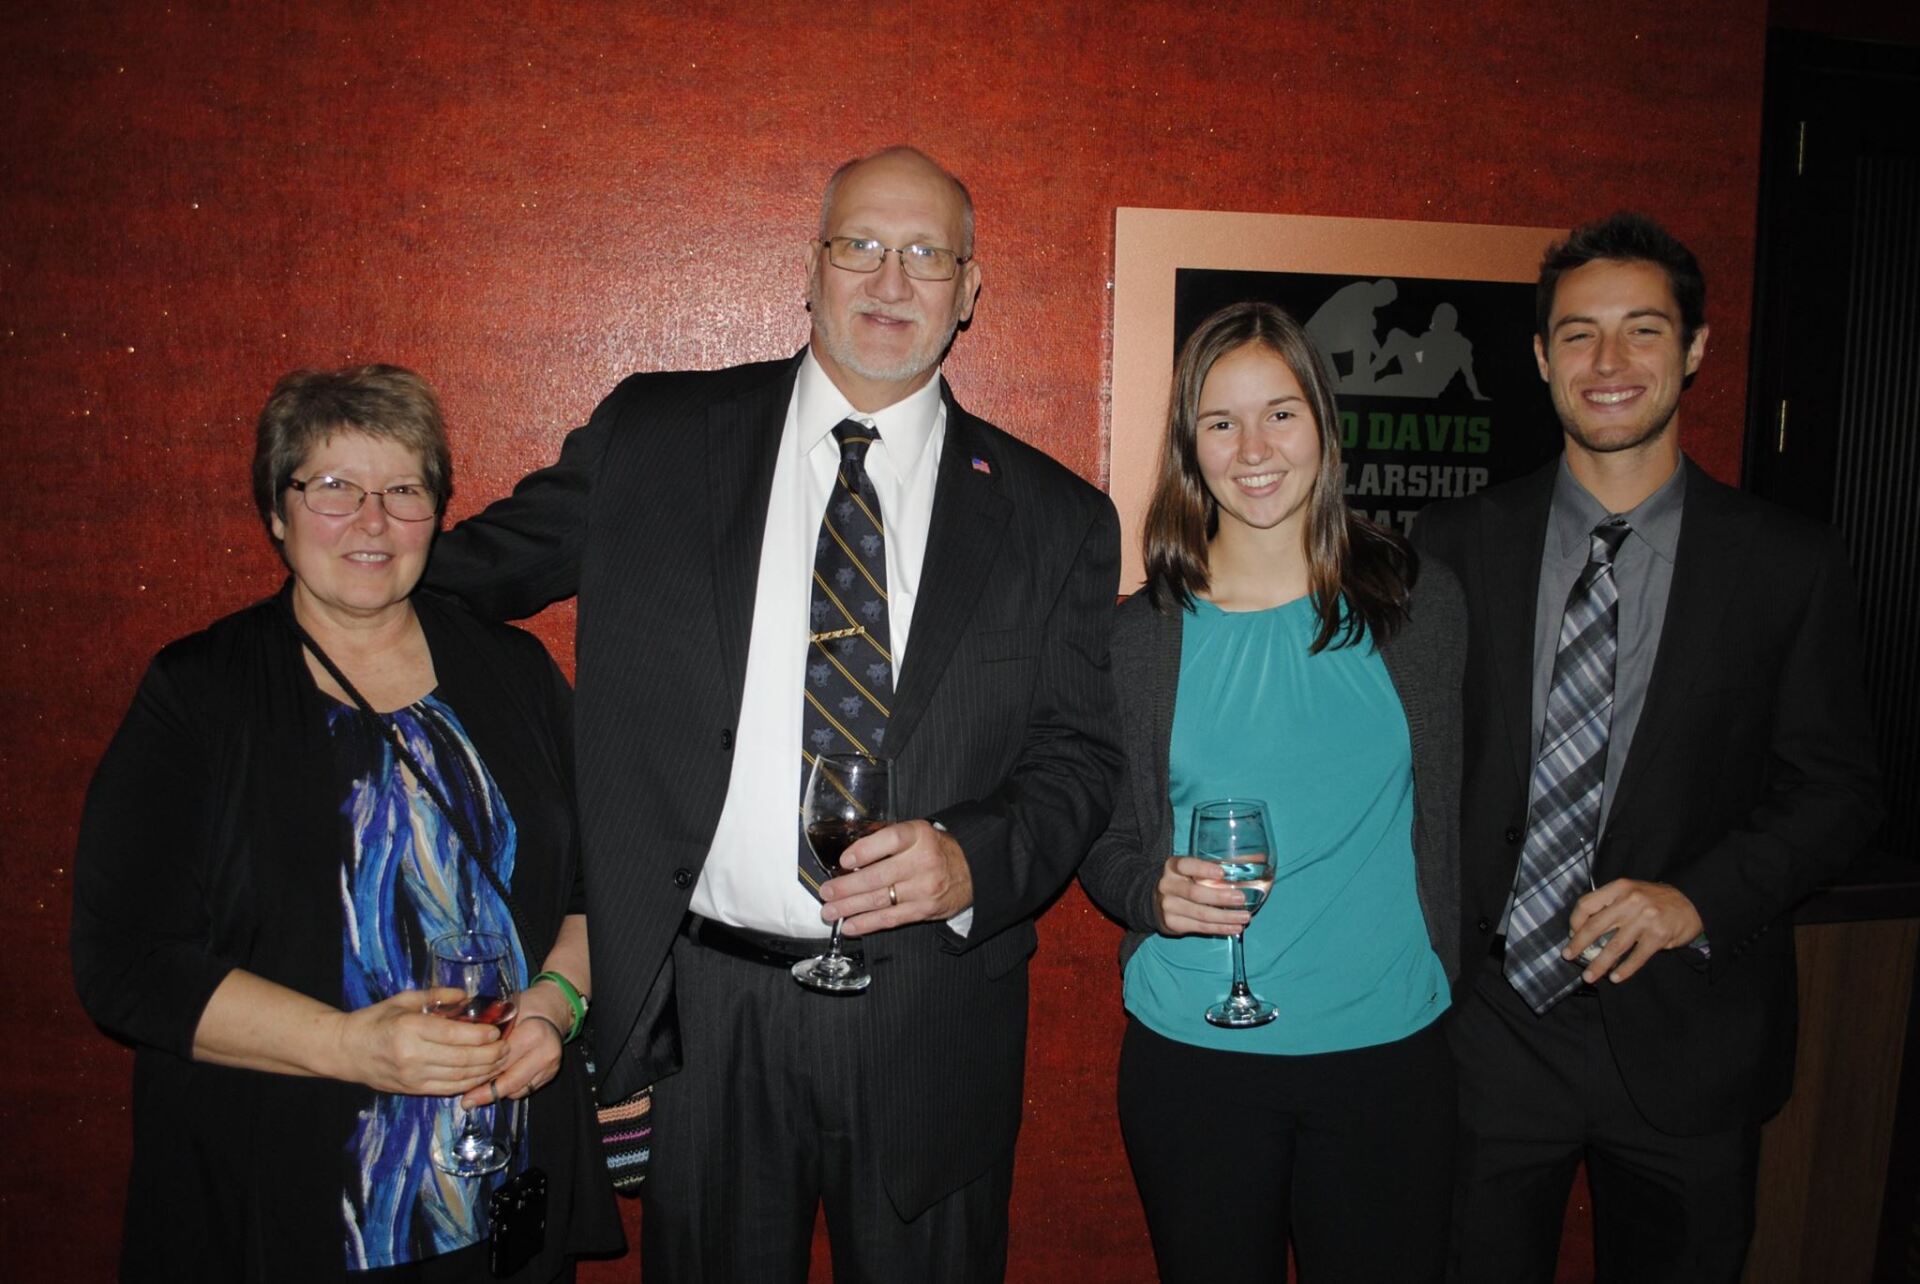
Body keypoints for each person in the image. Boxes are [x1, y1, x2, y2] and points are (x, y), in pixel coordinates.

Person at [423, 145, 1122, 1281]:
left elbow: (1081, 758)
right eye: (860, 245)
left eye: (927, 255)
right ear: (811, 268)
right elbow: (468, 578)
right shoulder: (655, 436)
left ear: (971, 292)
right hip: (709, 1017)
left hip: (930, 1023)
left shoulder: (1057, 518)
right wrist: (351, 545)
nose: (890, 281)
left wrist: (973, 859)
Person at [71, 366, 623, 1283]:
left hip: (500, 1181)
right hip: (291, 1195)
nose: (372, 521)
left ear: (437, 514)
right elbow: (124, 964)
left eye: (403, 490)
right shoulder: (200, 695)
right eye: (332, 488)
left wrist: (556, 1009)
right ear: (277, 513)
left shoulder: (513, 674)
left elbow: (599, 882)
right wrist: (351, 1046)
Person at [1411, 212, 1883, 1282]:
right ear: (1539, 359)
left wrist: (1696, 899)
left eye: (1643, 331)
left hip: (1693, 1031)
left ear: (1696, 349)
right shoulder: (1454, 547)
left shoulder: (1787, 565)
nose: (1609, 364)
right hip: (1487, 1030)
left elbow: (1840, 791)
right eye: (1578, 335)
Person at [1078, 300, 1466, 1284]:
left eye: (1280, 413)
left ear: (1324, 428)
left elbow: (1471, 802)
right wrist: (1145, 891)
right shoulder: (1140, 635)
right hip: (1197, 1065)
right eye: (1221, 421)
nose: (1254, 447)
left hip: (1388, 1060)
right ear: (1189, 448)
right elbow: (1105, 830)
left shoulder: (1419, 609)